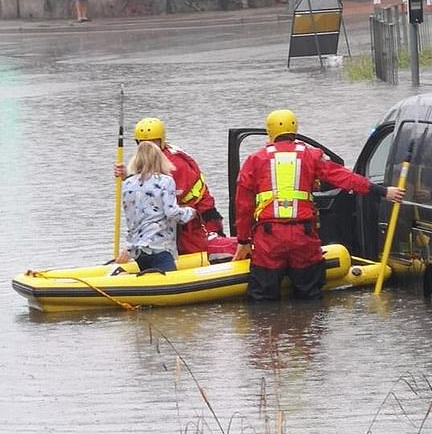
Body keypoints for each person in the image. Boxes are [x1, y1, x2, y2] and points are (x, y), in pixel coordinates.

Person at [232, 109, 405, 301]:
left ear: (269, 131)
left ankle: (273, 328)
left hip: (269, 238)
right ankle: (308, 329)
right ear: (295, 129)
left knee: (262, 299)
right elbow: (345, 178)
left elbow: (243, 205)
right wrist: (382, 191)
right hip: (303, 236)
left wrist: (243, 240)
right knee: (310, 295)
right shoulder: (311, 155)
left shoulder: (255, 160)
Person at [114, 117, 225, 256]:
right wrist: (127, 176)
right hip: (181, 220)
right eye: (142, 143)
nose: (148, 147)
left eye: (152, 142)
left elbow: (161, 201)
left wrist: (130, 179)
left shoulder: (174, 165)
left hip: (198, 219)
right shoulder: (155, 158)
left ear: (161, 141)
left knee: (192, 252)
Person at [116, 141, 194, 272]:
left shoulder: (127, 183)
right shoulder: (165, 181)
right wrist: (190, 212)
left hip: (137, 249)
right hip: (159, 247)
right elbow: (172, 212)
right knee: (170, 283)